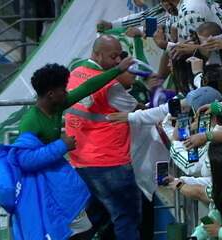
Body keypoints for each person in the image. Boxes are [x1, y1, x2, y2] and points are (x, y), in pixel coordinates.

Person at [7, 58, 132, 239]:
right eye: (63, 89)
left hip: (57, 183)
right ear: (51, 94)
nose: (67, 92)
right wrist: (61, 146)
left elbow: (88, 87)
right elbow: (24, 161)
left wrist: (118, 70)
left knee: (81, 228)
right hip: (39, 188)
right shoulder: (30, 123)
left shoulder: (57, 107)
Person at [65, 35, 141, 240]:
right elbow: (138, 111)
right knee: (126, 217)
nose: (118, 62)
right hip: (109, 162)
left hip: (80, 160)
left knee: (91, 219)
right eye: (113, 57)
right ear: (97, 55)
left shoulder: (76, 73)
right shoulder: (111, 86)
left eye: (120, 56)